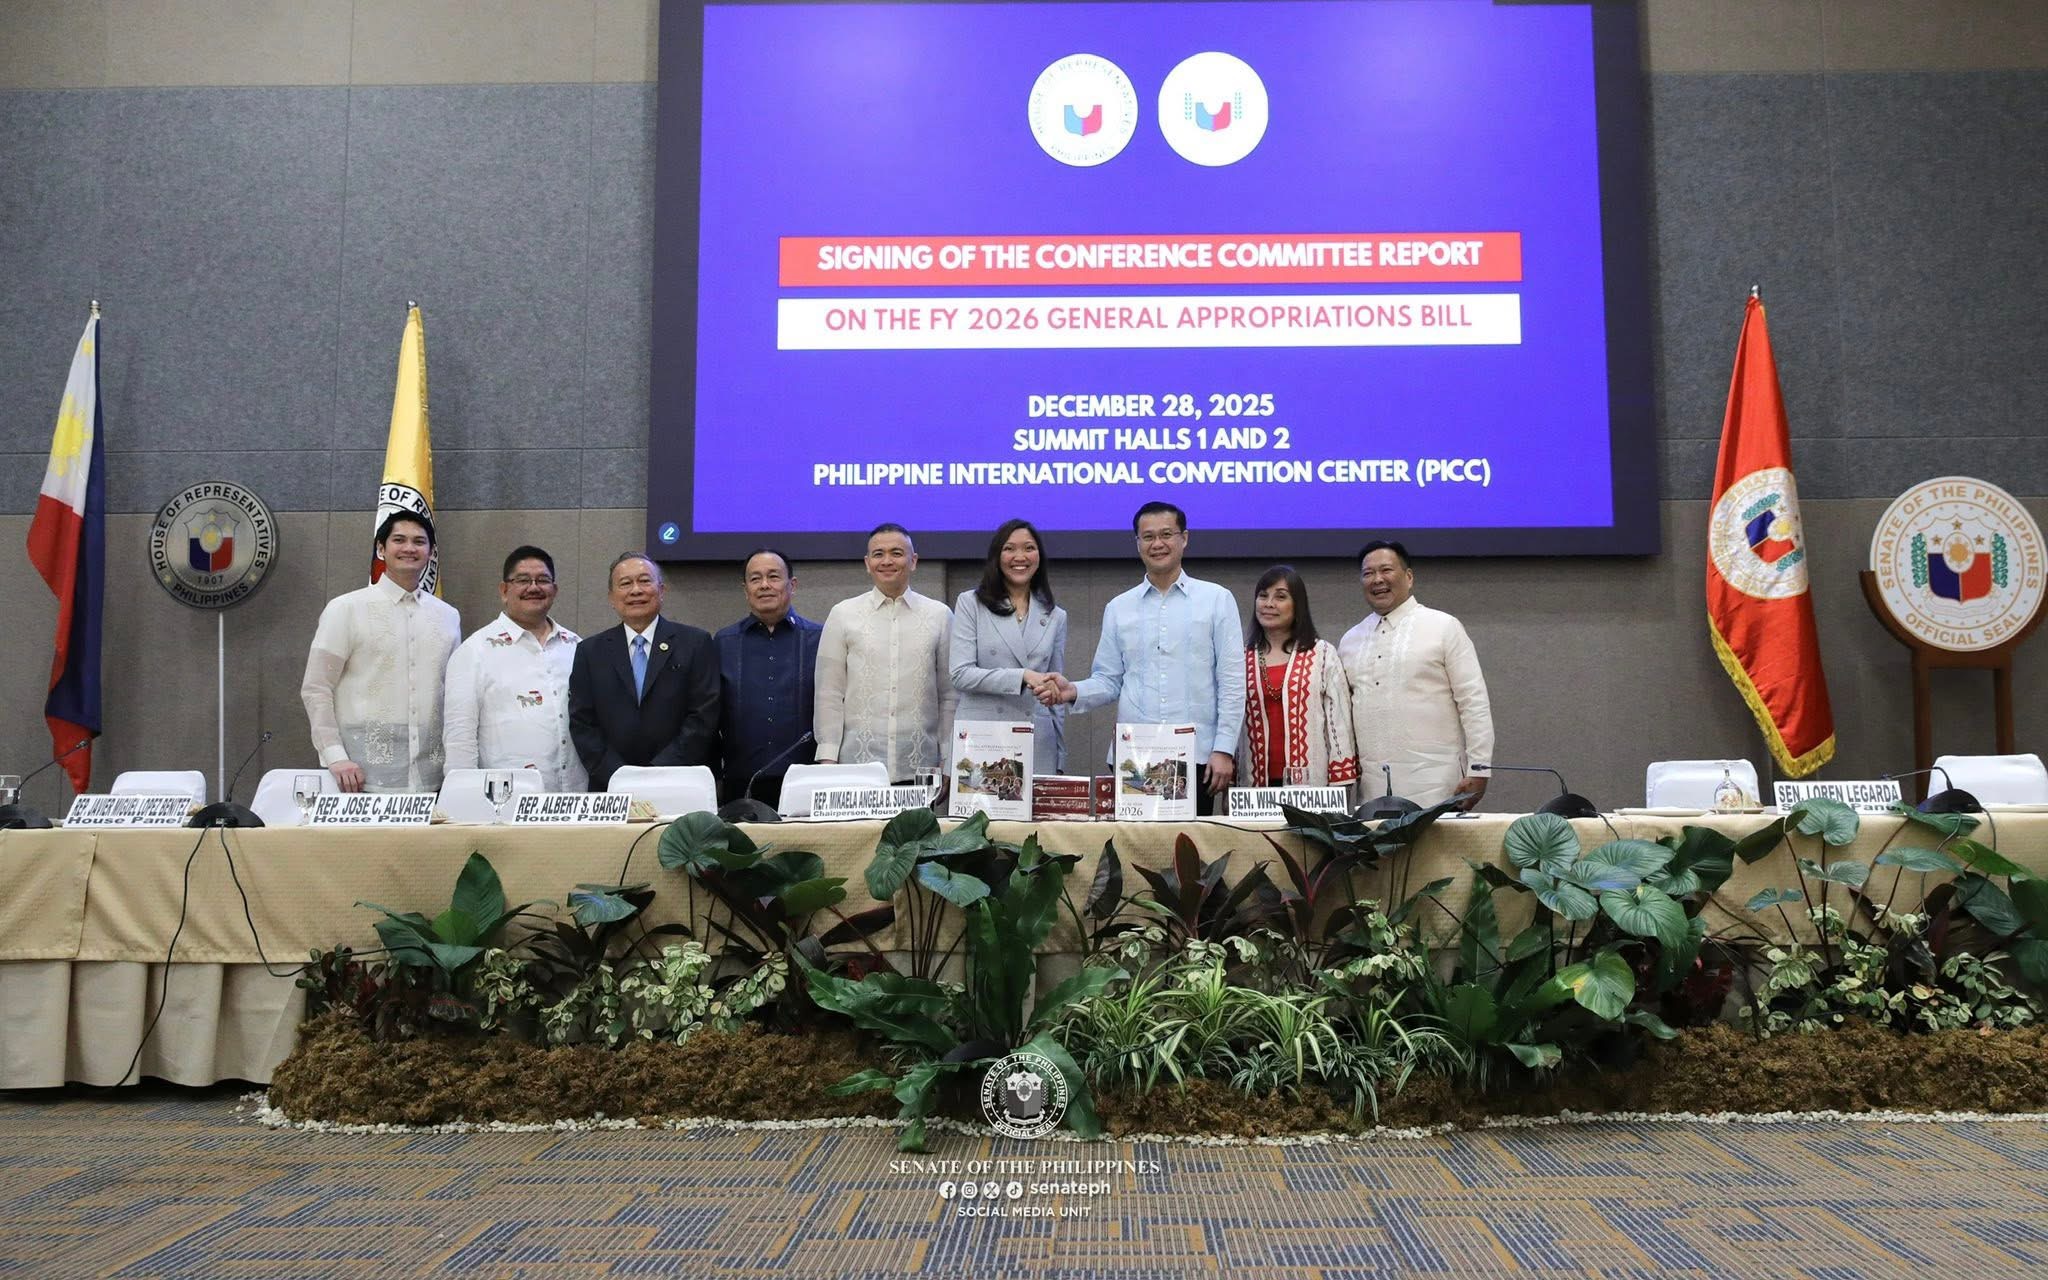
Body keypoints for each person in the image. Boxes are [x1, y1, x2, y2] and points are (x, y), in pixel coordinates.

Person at [1047, 501, 1245, 815]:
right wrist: (1073, 691)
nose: (1157, 544)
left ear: (1184, 538)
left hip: (1197, 758)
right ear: (1137, 543)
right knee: (1134, 844)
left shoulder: (1217, 600)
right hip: (1135, 757)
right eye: (1148, 537)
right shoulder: (1119, 608)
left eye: (1166, 534)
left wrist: (1223, 749)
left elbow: (1232, 683)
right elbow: (1108, 680)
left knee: (1191, 846)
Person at [301, 511, 462, 793]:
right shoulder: (346, 609)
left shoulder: (447, 616)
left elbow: (454, 693)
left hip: (433, 777)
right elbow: (316, 688)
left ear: (431, 552)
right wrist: (334, 756)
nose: (409, 548)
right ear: (381, 548)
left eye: (419, 541)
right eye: (399, 540)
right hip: (358, 776)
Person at [1338, 540, 1493, 809]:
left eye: (1386, 570)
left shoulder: (1443, 627)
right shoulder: (1350, 640)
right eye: (1368, 573)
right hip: (1373, 790)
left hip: (1437, 785)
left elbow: (1474, 702)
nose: (1377, 579)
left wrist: (1479, 768)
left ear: (1409, 577)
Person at [814, 523, 956, 782]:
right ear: (868, 563)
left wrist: (949, 759)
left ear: (913, 561)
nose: (887, 561)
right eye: (878, 554)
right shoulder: (843, 614)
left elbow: (949, 696)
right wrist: (828, 759)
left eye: (896, 553)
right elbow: (829, 694)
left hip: (920, 769)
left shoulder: (940, 615)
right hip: (856, 769)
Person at [568, 552, 719, 791]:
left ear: (662, 590)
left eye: (645, 581)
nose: (636, 590)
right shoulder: (590, 651)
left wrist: (656, 773)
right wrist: (619, 776)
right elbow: (582, 723)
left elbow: (703, 717)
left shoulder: (695, 643)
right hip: (612, 787)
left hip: (680, 783)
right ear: (611, 597)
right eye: (625, 583)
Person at [442, 545, 585, 792]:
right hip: (507, 800)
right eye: (522, 580)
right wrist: (464, 796)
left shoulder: (576, 646)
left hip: (575, 795)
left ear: (554, 590)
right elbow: (459, 737)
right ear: (504, 590)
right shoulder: (475, 651)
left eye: (543, 580)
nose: (534, 587)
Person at [949, 518, 1069, 774]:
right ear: (997, 556)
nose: (1020, 557)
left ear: (1039, 556)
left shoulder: (1056, 616)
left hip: (1037, 741)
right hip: (982, 739)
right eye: (1009, 549)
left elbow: (1055, 693)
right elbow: (960, 674)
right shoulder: (971, 603)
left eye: (1029, 548)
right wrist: (1022, 676)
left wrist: (1060, 756)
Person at [714, 548, 822, 806]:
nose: (764, 585)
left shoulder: (820, 639)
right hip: (742, 782)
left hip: (807, 780)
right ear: (746, 589)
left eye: (773, 577)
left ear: (792, 585)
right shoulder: (724, 642)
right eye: (755, 579)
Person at [1236, 565, 1359, 790]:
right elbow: (1231, 724)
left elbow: (1338, 722)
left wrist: (1341, 780)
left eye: (1280, 597)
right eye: (1263, 596)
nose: (1269, 604)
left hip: (1312, 786)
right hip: (1253, 788)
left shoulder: (1322, 654)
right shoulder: (1240, 658)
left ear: (1297, 605)